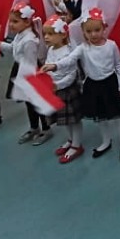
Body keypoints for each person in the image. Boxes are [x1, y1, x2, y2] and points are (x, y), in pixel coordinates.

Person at [44, 7, 120, 163]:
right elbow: (70, 59)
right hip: (94, 86)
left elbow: (119, 65)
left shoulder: (111, 45)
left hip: (110, 84)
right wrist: (54, 66)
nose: (93, 34)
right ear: (83, 32)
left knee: (119, 115)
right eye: (89, 31)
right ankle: (106, 141)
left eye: (97, 30)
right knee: (101, 116)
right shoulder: (83, 48)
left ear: (104, 28)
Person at [0, 3, 51, 146]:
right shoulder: (20, 35)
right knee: (28, 103)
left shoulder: (30, 40)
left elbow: (31, 62)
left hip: (30, 73)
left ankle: (46, 128)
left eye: (15, 21)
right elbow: (13, 49)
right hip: (21, 69)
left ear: (27, 22)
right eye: (11, 21)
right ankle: (34, 127)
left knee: (37, 103)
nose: (11, 25)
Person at [38, 16, 83, 164]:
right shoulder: (51, 49)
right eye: (45, 34)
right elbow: (49, 65)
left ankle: (76, 145)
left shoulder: (69, 50)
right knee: (64, 120)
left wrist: (59, 84)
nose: (46, 37)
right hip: (56, 88)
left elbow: (72, 73)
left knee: (73, 120)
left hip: (67, 89)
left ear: (63, 34)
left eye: (51, 34)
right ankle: (70, 140)